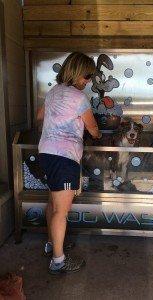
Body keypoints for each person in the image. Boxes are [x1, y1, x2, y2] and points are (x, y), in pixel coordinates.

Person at [37, 52, 102, 275]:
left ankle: (51, 243)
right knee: (61, 212)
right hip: (64, 157)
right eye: (87, 76)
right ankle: (58, 261)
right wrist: (97, 133)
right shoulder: (78, 97)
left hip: (46, 153)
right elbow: (93, 129)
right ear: (76, 73)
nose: (88, 81)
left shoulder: (53, 92)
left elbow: (39, 116)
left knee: (52, 202)